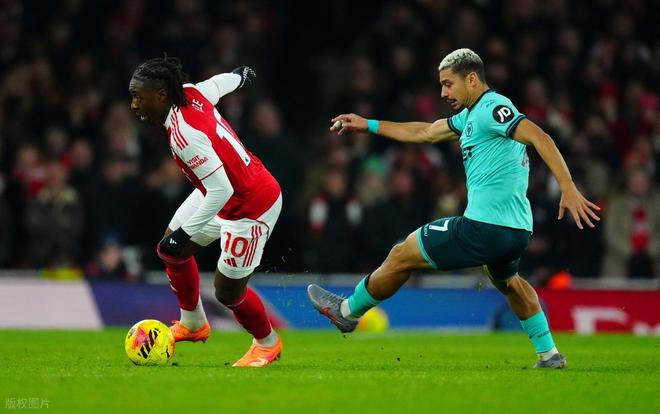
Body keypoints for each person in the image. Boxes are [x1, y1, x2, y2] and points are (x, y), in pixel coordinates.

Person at [308, 48, 601, 369]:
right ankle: (549, 354)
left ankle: (346, 311)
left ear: (472, 79)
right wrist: (369, 125)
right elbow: (425, 132)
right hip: (515, 232)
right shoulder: (469, 117)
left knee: (402, 253)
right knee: (510, 283)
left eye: (448, 84)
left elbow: (540, 136)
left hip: (484, 227)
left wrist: (568, 187)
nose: (443, 93)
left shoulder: (493, 107)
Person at [128, 56, 282, 367]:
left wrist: (186, 233)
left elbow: (222, 190)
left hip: (250, 205)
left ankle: (267, 343)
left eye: (139, 97)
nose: (134, 105)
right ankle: (193, 323)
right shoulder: (190, 93)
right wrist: (240, 77)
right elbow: (216, 85)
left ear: (161, 95)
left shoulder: (185, 136)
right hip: (221, 192)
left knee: (227, 292)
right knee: (170, 250)